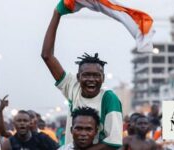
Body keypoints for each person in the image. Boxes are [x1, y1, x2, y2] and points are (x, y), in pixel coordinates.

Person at [41, 5, 123, 150]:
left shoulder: (109, 99)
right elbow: (47, 56)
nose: (91, 79)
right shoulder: (73, 87)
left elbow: (113, 143)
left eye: (96, 75)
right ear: (78, 77)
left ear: (103, 78)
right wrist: (56, 14)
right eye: (86, 75)